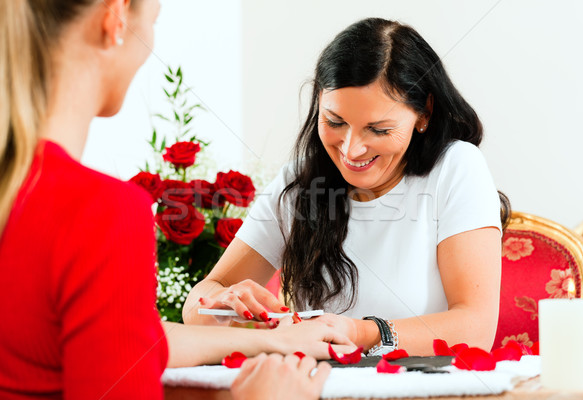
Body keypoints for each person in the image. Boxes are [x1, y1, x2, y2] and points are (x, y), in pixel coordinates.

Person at [0, 1, 353, 399]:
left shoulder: (23, 192)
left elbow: (129, 338)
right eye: (152, 22)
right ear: (115, 19)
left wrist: (274, 341)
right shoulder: (99, 211)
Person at [184, 17, 511, 357]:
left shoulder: (456, 167)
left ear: (424, 113)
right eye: (335, 122)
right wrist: (219, 302)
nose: (351, 150)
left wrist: (359, 332)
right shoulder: (299, 183)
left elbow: (475, 329)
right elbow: (197, 306)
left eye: (379, 129)